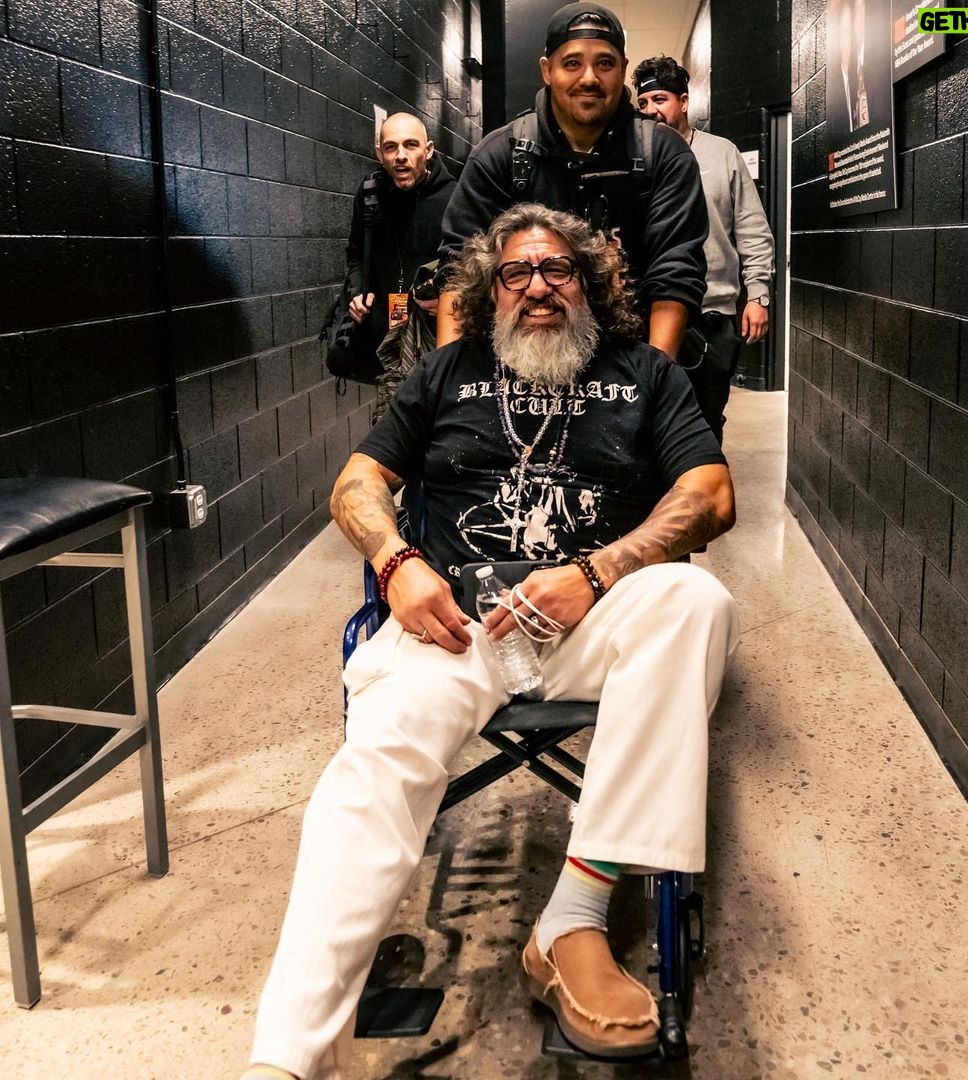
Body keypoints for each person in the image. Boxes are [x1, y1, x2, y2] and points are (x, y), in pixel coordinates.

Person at [242, 204, 740, 1079]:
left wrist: (593, 573)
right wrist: (397, 562)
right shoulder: (448, 371)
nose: (538, 287)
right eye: (517, 272)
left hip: (595, 620)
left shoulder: (645, 374)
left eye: (558, 270)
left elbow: (711, 495)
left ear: (590, 285)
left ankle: (572, 921)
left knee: (695, 599)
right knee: (374, 767)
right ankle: (283, 1056)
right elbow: (357, 483)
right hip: (458, 626)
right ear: (491, 290)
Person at [436, 3, 708, 361]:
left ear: (623, 70)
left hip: (634, 357)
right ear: (547, 71)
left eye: (605, 63)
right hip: (523, 360)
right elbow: (460, 273)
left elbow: (675, 274)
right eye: (572, 63)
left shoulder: (664, 154)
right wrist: (448, 382)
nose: (589, 78)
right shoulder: (499, 155)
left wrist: (656, 378)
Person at [633, 56, 775, 436]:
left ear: (683, 101)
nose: (650, 110)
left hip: (711, 314)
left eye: (660, 99)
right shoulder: (634, 157)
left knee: (706, 421)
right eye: (643, 102)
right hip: (649, 313)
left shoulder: (722, 153)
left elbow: (751, 227)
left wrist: (758, 294)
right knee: (649, 422)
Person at [324, 112, 455, 404]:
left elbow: (471, 266)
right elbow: (355, 252)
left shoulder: (453, 198)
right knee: (392, 415)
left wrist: (449, 300)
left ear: (428, 150)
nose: (401, 156)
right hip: (384, 333)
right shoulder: (370, 194)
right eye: (391, 147)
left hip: (434, 334)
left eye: (411, 145)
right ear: (379, 153)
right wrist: (357, 293)